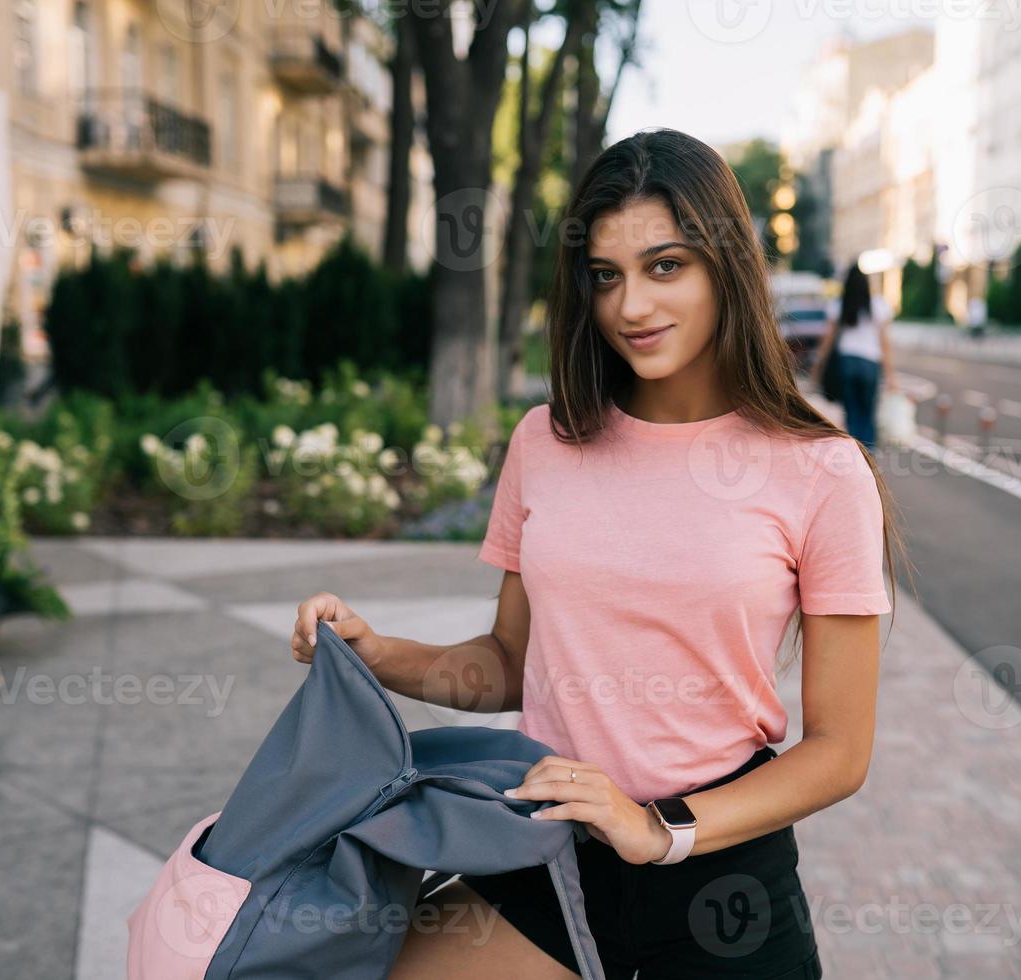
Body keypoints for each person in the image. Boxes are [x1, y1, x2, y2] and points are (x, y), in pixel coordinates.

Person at [290, 129, 909, 980]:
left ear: (726, 266)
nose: (631, 308)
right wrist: (377, 655)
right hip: (547, 849)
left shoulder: (821, 469)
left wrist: (660, 828)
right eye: (606, 276)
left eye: (666, 266)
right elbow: (512, 662)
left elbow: (840, 751)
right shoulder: (546, 441)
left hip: (719, 879)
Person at [812, 262, 897, 454]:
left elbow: (828, 339)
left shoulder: (840, 305)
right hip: (870, 363)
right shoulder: (878, 305)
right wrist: (891, 375)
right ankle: (869, 453)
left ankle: (855, 453)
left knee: (851, 411)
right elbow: (885, 343)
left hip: (847, 362)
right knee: (868, 411)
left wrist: (817, 367)